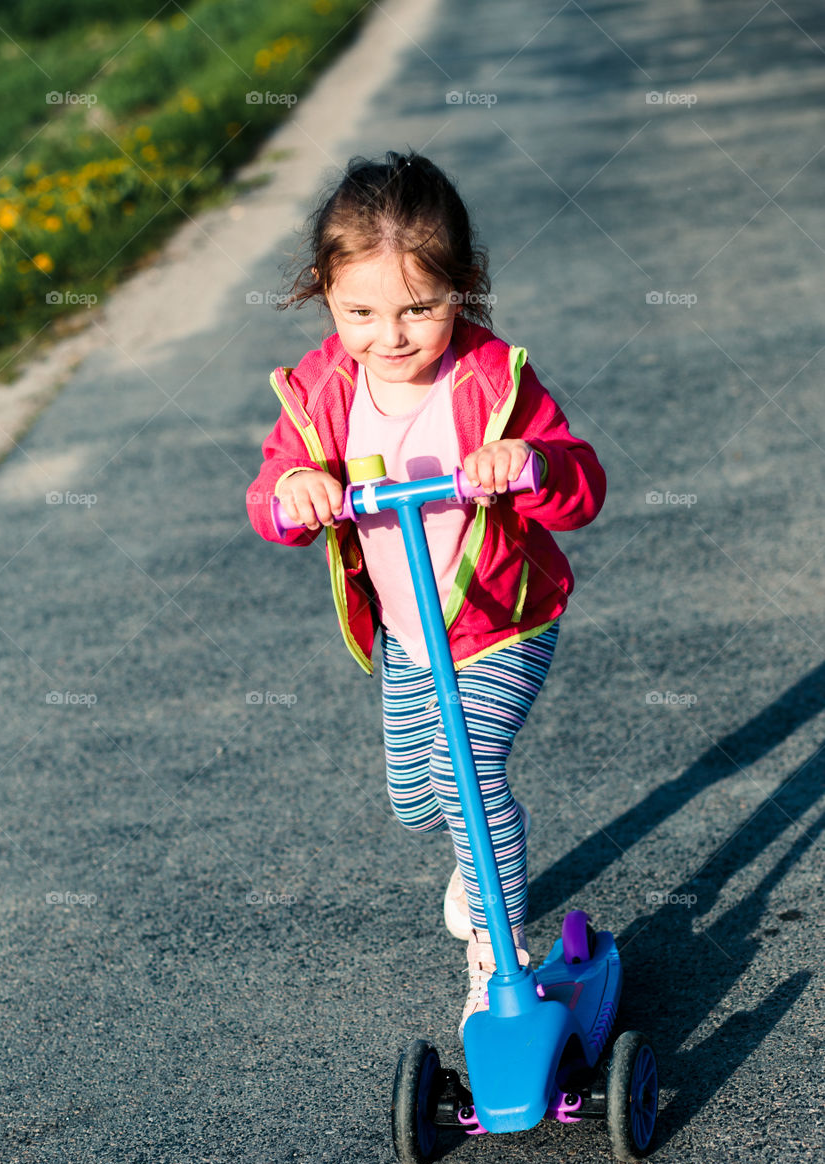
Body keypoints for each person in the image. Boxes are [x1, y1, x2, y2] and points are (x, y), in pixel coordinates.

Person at [247, 151, 606, 1038]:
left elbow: (582, 485)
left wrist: (526, 463)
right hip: (410, 637)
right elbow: (271, 491)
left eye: (420, 307)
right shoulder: (324, 388)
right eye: (359, 311)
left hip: (498, 624)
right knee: (417, 801)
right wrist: (295, 494)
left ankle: (499, 956)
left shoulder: (489, 382)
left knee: (465, 777)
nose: (391, 335)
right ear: (323, 293)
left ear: (463, 288)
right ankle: (471, 856)